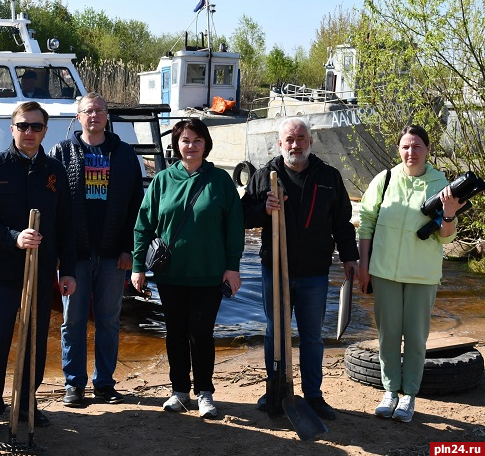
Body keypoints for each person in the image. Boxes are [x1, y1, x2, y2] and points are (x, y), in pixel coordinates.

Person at [241, 116, 359, 421]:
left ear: (310, 142)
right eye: (289, 140)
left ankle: (314, 396)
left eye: (301, 139)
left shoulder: (328, 177)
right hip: (275, 269)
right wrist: (263, 210)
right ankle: (276, 390)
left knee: (311, 337)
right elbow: (242, 217)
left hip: (314, 272)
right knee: (275, 333)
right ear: (280, 144)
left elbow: (342, 223)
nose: (296, 145)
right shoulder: (267, 175)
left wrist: (350, 258)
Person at [0, 101, 77, 438]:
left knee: (34, 341)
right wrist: (14, 238)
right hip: (4, 271)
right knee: (0, 340)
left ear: (45, 130)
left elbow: (65, 224)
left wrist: (69, 271)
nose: (29, 132)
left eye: (36, 126)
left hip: (43, 269)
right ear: (12, 128)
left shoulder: (54, 170)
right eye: (23, 126)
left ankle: (26, 405)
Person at [131, 118, 244, 419]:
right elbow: (143, 226)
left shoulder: (220, 181)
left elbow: (235, 228)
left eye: (196, 140)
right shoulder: (162, 181)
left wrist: (232, 267)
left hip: (209, 273)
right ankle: (179, 390)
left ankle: (205, 393)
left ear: (206, 144)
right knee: (175, 333)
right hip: (171, 274)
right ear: (176, 145)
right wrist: (138, 266)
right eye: (185, 140)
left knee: (202, 334)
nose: (190, 145)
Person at [358, 124, 464, 423]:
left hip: (422, 275)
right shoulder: (386, 178)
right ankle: (390, 391)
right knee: (388, 335)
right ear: (399, 149)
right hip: (385, 273)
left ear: (428, 150)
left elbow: (445, 238)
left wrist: (450, 213)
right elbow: (366, 223)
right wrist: (364, 266)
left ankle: (409, 396)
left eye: (417, 146)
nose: (411, 152)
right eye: (406, 146)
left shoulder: (441, 184)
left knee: (416, 338)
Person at [49, 92, 143, 407]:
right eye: (88, 111)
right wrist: (59, 252)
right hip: (74, 254)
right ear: (78, 117)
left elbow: (136, 207)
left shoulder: (125, 154)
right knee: (72, 320)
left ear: (106, 116)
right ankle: (73, 385)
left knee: (108, 320)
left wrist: (130, 249)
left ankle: (104, 383)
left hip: (112, 253)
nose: (94, 116)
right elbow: (53, 209)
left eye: (99, 110)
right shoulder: (61, 153)